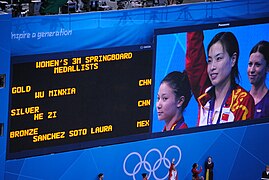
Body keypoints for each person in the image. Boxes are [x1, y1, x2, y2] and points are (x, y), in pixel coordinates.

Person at [185, 31, 255, 126]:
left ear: (233, 59)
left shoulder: (243, 101)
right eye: (209, 60)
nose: (212, 67)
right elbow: (194, 58)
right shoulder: (204, 97)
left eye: (218, 59)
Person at [247, 40, 269, 119]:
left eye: (257, 65)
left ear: (267, 68)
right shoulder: (241, 100)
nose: (252, 70)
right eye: (250, 64)